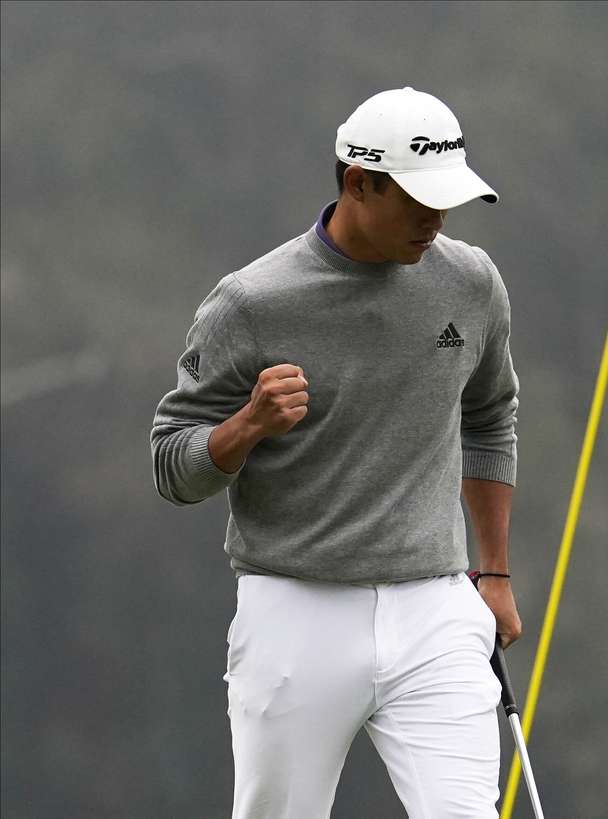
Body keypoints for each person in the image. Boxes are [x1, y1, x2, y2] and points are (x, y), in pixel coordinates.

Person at [152, 87, 521, 819]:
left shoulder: (471, 281)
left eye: (447, 200)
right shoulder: (251, 301)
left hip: (436, 604)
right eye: (418, 201)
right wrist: (248, 425)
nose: (436, 220)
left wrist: (497, 571)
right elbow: (171, 461)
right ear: (359, 182)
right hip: (295, 606)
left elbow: (489, 417)